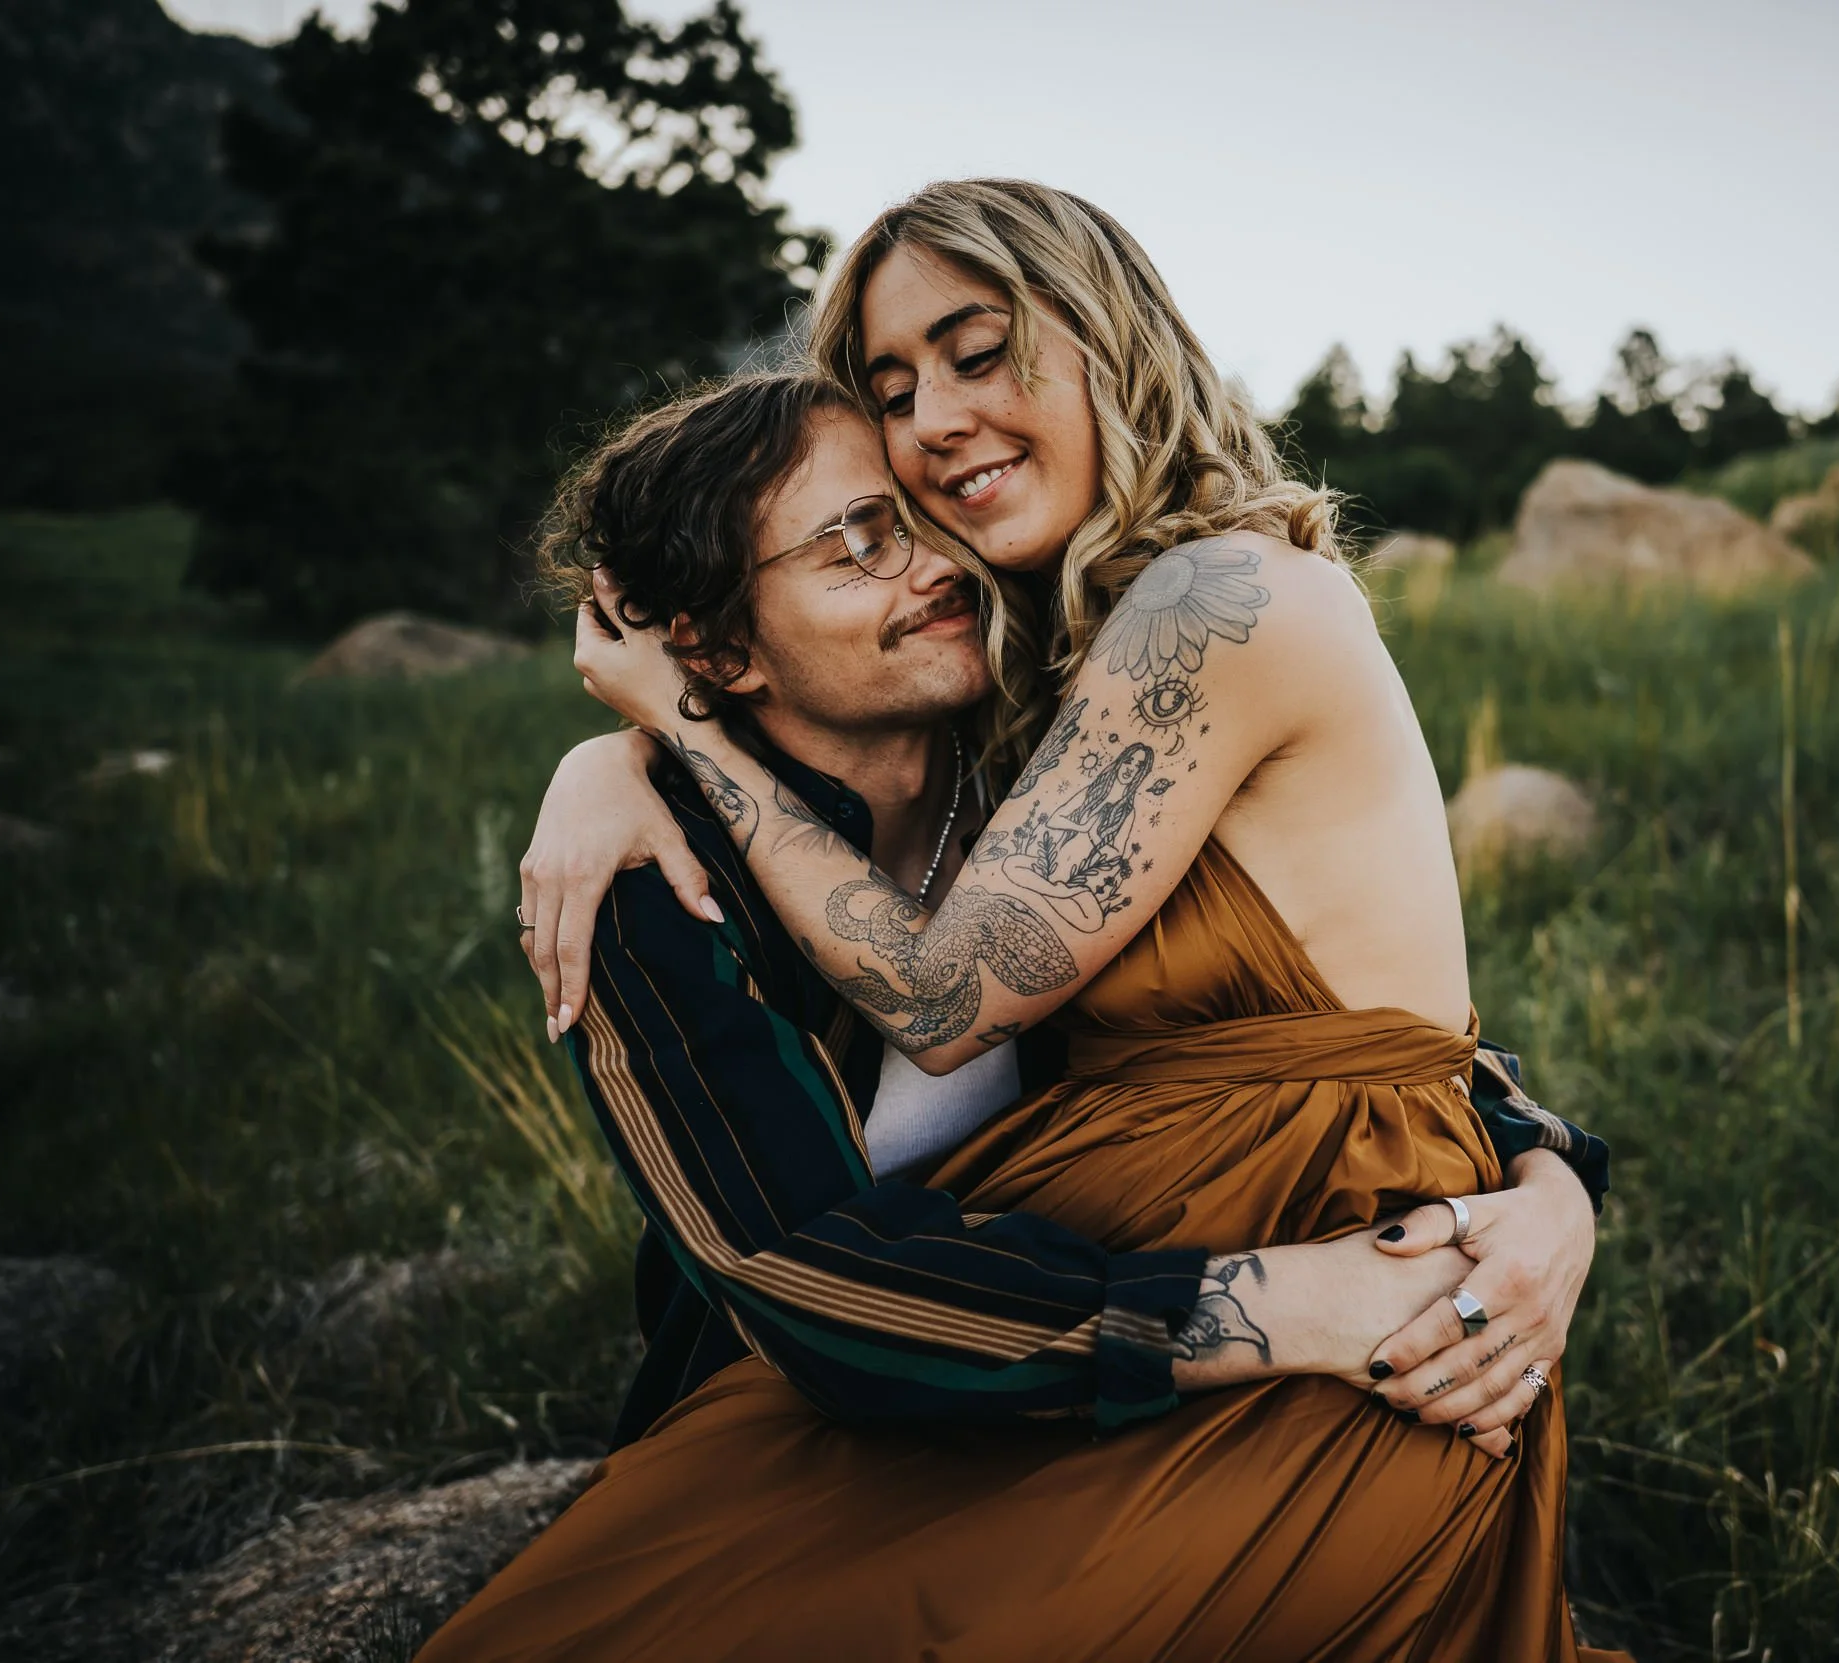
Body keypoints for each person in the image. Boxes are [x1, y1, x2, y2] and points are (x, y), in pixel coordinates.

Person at [428, 180, 1625, 1661]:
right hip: (1050, 1357)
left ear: (1108, 336)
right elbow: (811, 1274)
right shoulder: (919, 766)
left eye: (977, 351)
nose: (934, 436)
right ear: (721, 643)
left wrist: (1553, 1182)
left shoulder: (1181, 626)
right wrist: (626, 754)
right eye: (893, 400)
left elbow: (1323, 1032)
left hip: (1332, 1347)